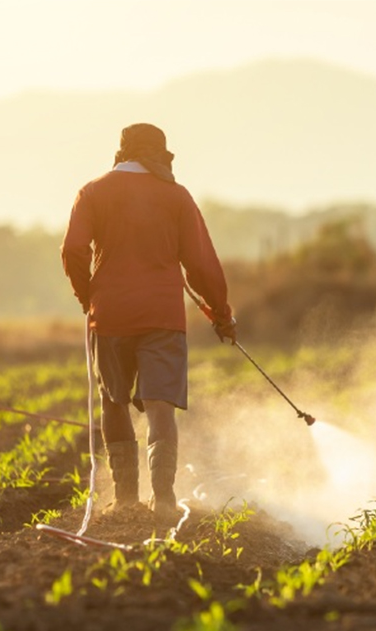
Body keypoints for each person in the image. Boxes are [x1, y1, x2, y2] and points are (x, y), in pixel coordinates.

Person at [61, 122, 236, 517]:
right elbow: (201, 264)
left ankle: (125, 499)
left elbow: (73, 249)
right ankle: (165, 500)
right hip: (163, 316)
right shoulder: (176, 196)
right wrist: (222, 314)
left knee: (114, 402)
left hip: (110, 315)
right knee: (160, 409)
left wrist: (87, 296)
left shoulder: (92, 191)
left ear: (122, 152)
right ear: (160, 155)